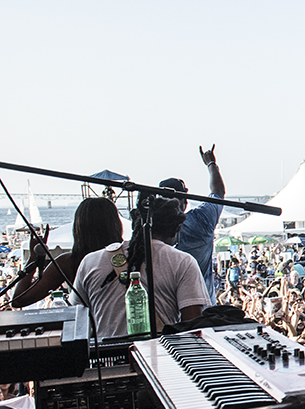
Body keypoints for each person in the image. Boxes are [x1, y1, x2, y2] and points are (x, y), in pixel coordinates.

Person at [72, 195, 208, 339]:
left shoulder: (90, 261)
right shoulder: (183, 261)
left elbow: (76, 318)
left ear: (135, 224)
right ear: (176, 230)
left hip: (107, 356)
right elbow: (192, 326)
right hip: (160, 355)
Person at [10, 198, 123, 309]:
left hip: (86, 325)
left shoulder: (68, 262)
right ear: (116, 224)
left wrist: (33, 257)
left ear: (79, 226)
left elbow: (19, 300)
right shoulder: (130, 255)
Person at [161, 145, 226, 305]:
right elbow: (218, 192)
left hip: (170, 309)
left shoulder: (155, 229)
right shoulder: (202, 219)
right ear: (185, 200)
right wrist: (211, 163)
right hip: (204, 304)